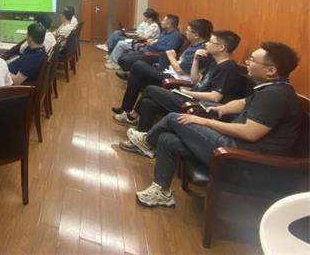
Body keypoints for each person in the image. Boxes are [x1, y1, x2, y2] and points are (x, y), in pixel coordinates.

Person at [124, 42, 301, 208]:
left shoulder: (274, 96)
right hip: (234, 148)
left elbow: (250, 133)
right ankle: (161, 191)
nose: (247, 62)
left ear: (271, 70)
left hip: (243, 159)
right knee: (167, 139)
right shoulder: (271, 88)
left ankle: (146, 141)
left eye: (252, 60)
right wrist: (221, 109)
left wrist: (206, 121)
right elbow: (242, 103)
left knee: (173, 118)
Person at [119, 30, 249, 137]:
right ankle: (144, 137)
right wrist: (196, 60)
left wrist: (186, 92)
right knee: (149, 102)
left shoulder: (228, 68)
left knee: (151, 89)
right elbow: (195, 80)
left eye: (211, 42)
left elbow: (215, 97)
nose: (207, 44)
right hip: (191, 97)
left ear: (221, 47)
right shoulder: (215, 62)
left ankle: (131, 117)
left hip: (199, 107)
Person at [112, 18, 213, 125]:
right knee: (136, 78)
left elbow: (180, 70)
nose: (185, 32)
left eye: (188, 30)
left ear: (196, 35)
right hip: (170, 72)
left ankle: (128, 111)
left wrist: (171, 56)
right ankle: (126, 110)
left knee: (138, 66)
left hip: (175, 80)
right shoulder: (193, 44)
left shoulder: (200, 51)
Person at [115, 14, 183, 73]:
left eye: (163, 20)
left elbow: (169, 49)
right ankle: (130, 73)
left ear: (169, 25)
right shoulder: (164, 32)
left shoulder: (176, 36)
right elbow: (157, 41)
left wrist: (153, 44)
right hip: (147, 50)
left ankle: (130, 74)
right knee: (122, 57)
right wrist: (151, 41)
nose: (161, 22)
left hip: (154, 55)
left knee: (125, 60)